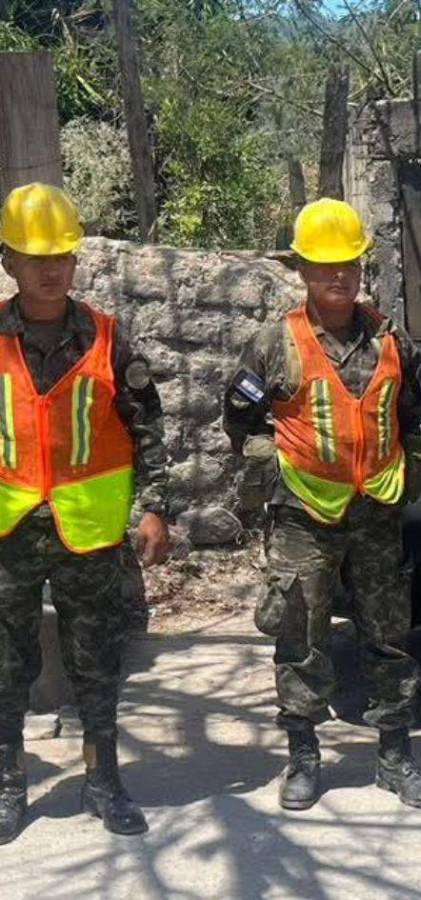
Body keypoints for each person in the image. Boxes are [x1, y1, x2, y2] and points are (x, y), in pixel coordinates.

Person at [223, 198, 421, 811]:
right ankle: (304, 758)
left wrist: (409, 463)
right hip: (304, 514)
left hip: (376, 510)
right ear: (302, 271)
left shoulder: (393, 339)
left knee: (390, 633)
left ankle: (396, 758)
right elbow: (239, 419)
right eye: (324, 266)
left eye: (347, 264)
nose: (337, 276)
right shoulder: (274, 343)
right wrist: (275, 466)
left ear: (361, 267)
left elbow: (412, 413)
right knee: (301, 633)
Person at [0, 183, 170, 842]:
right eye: (35, 256)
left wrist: (154, 508)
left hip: (91, 534)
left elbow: (148, 427)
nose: (51, 268)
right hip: (10, 532)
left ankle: (103, 780)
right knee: (7, 666)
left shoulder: (108, 337)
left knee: (95, 664)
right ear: (9, 260)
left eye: (62, 256)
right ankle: (10, 783)